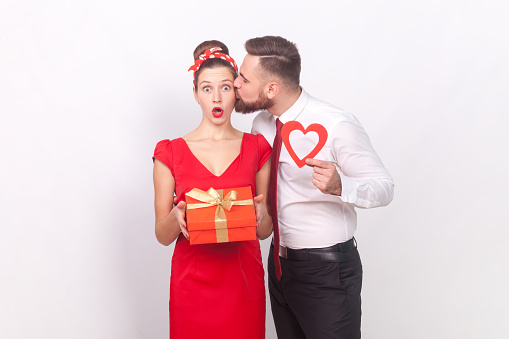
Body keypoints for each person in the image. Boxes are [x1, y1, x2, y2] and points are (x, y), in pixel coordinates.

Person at [234, 36, 394, 339]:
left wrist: (341, 185)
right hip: (279, 266)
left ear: (271, 89)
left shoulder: (336, 124)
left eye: (243, 77)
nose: (236, 82)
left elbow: (385, 187)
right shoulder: (261, 126)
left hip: (327, 272)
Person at [152, 40, 273, 339]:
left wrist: (262, 214)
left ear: (236, 92)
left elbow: (265, 230)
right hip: (192, 285)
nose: (216, 97)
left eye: (225, 88)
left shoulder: (257, 147)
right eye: (206, 88)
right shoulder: (170, 153)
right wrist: (176, 218)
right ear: (195, 94)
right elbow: (162, 235)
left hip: (243, 282)